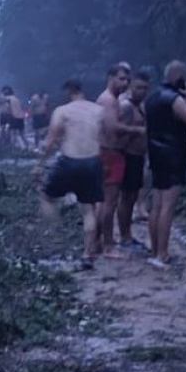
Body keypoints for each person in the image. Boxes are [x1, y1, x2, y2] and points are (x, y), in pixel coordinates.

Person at [32, 80, 105, 266]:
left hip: (70, 161)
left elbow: (50, 141)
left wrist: (40, 165)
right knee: (88, 209)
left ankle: (57, 234)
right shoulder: (98, 110)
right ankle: (88, 253)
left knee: (47, 198)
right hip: (92, 161)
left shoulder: (62, 111)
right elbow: (105, 137)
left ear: (68, 92)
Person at [145, 60, 186, 268]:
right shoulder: (174, 99)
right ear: (180, 78)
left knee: (157, 205)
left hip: (156, 155)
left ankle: (155, 250)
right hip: (173, 156)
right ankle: (162, 254)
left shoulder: (152, 98)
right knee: (167, 207)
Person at [95, 64, 142, 257]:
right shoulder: (108, 100)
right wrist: (138, 130)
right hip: (110, 154)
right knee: (109, 203)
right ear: (111, 78)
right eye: (121, 79)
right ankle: (108, 245)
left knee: (105, 202)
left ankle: (96, 242)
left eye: (127, 80)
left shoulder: (113, 99)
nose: (125, 83)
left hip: (111, 153)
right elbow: (113, 127)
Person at [117, 71, 151, 252]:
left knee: (132, 198)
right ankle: (124, 236)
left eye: (145, 88)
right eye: (138, 87)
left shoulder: (141, 107)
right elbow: (119, 132)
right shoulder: (126, 107)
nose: (141, 91)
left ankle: (128, 235)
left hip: (138, 157)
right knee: (126, 197)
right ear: (131, 87)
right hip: (128, 156)